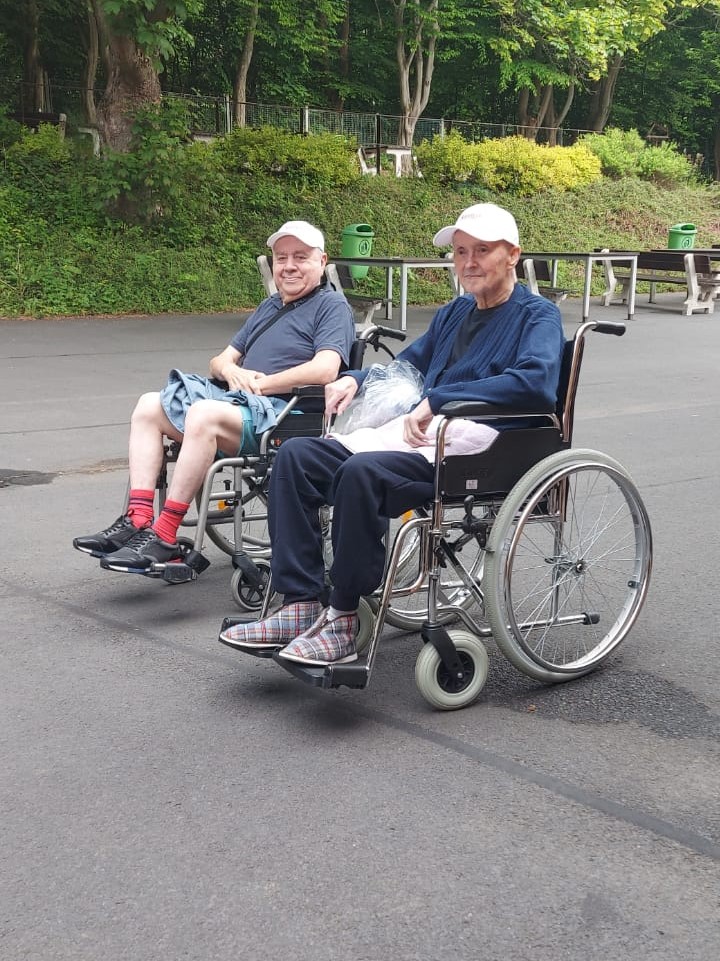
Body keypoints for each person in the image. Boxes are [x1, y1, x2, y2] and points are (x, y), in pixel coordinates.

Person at [219, 202, 565, 665]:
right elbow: (408, 366)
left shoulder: (537, 315)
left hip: (483, 446)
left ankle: (342, 618)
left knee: (361, 472)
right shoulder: (455, 312)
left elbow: (536, 383)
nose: (469, 262)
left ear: (513, 256)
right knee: (296, 458)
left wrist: (440, 399)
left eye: (482, 250)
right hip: (426, 433)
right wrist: (354, 380)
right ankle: (299, 603)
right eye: (461, 252)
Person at [73, 220, 355, 571]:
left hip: (285, 415)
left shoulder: (331, 306)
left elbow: (325, 369)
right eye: (281, 258)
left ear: (322, 261)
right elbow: (219, 360)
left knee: (203, 414)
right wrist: (232, 371)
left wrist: (262, 384)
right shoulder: (270, 307)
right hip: (241, 405)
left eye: (300, 257)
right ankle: (138, 518)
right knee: (149, 405)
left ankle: (165, 536)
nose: (289, 266)